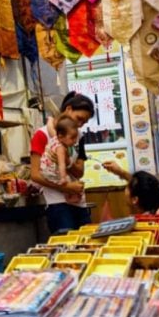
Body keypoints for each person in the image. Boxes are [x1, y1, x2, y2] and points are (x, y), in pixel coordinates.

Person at [30, 92, 95, 232]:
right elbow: (35, 175)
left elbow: (80, 172)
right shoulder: (42, 135)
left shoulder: (79, 136)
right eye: (79, 119)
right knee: (67, 247)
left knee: (87, 244)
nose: (80, 124)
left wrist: (67, 162)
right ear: (69, 109)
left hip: (79, 202)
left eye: (84, 122)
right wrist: (65, 187)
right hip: (57, 204)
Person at [40, 116, 82, 204]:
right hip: (52, 172)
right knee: (71, 183)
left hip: (44, 169)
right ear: (61, 136)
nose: (75, 141)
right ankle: (70, 197)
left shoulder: (55, 137)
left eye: (76, 138)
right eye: (72, 138)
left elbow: (50, 127)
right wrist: (63, 178)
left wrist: (50, 120)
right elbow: (62, 164)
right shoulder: (61, 148)